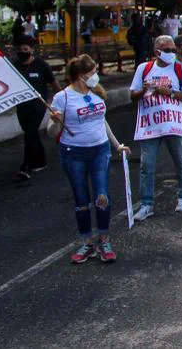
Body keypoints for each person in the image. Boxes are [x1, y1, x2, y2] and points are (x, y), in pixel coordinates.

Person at [49, 54, 130, 264]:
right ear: (79, 76)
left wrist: (117, 144)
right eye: (91, 73)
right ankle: (86, 242)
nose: (96, 76)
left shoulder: (96, 92)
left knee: (102, 197)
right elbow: (52, 131)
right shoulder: (63, 98)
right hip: (73, 152)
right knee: (81, 200)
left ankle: (104, 240)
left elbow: (102, 121)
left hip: (100, 151)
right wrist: (56, 121)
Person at [130, 35, 182, 221]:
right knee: (146, 165)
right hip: (150, 125)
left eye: (174, 50)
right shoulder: (144, 69)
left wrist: (171, 93)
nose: (172, 53)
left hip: (173, 124)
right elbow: (132, 95)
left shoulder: (180, 69)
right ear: (157, 52)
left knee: (181, 162)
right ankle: (146, 204)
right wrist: (143, 91)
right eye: (168, 50)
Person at [11, 37, 60, 180]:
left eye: (25, 49)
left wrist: (63, 99)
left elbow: (53, 83)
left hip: (39, 104)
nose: (22, 52)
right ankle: (41, 160)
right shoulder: (15, 66)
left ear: (31, 50)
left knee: (31, 131)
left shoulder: (41, 65)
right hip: (22, 105)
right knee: (29, 131)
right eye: (19, 50)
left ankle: (26, 166)